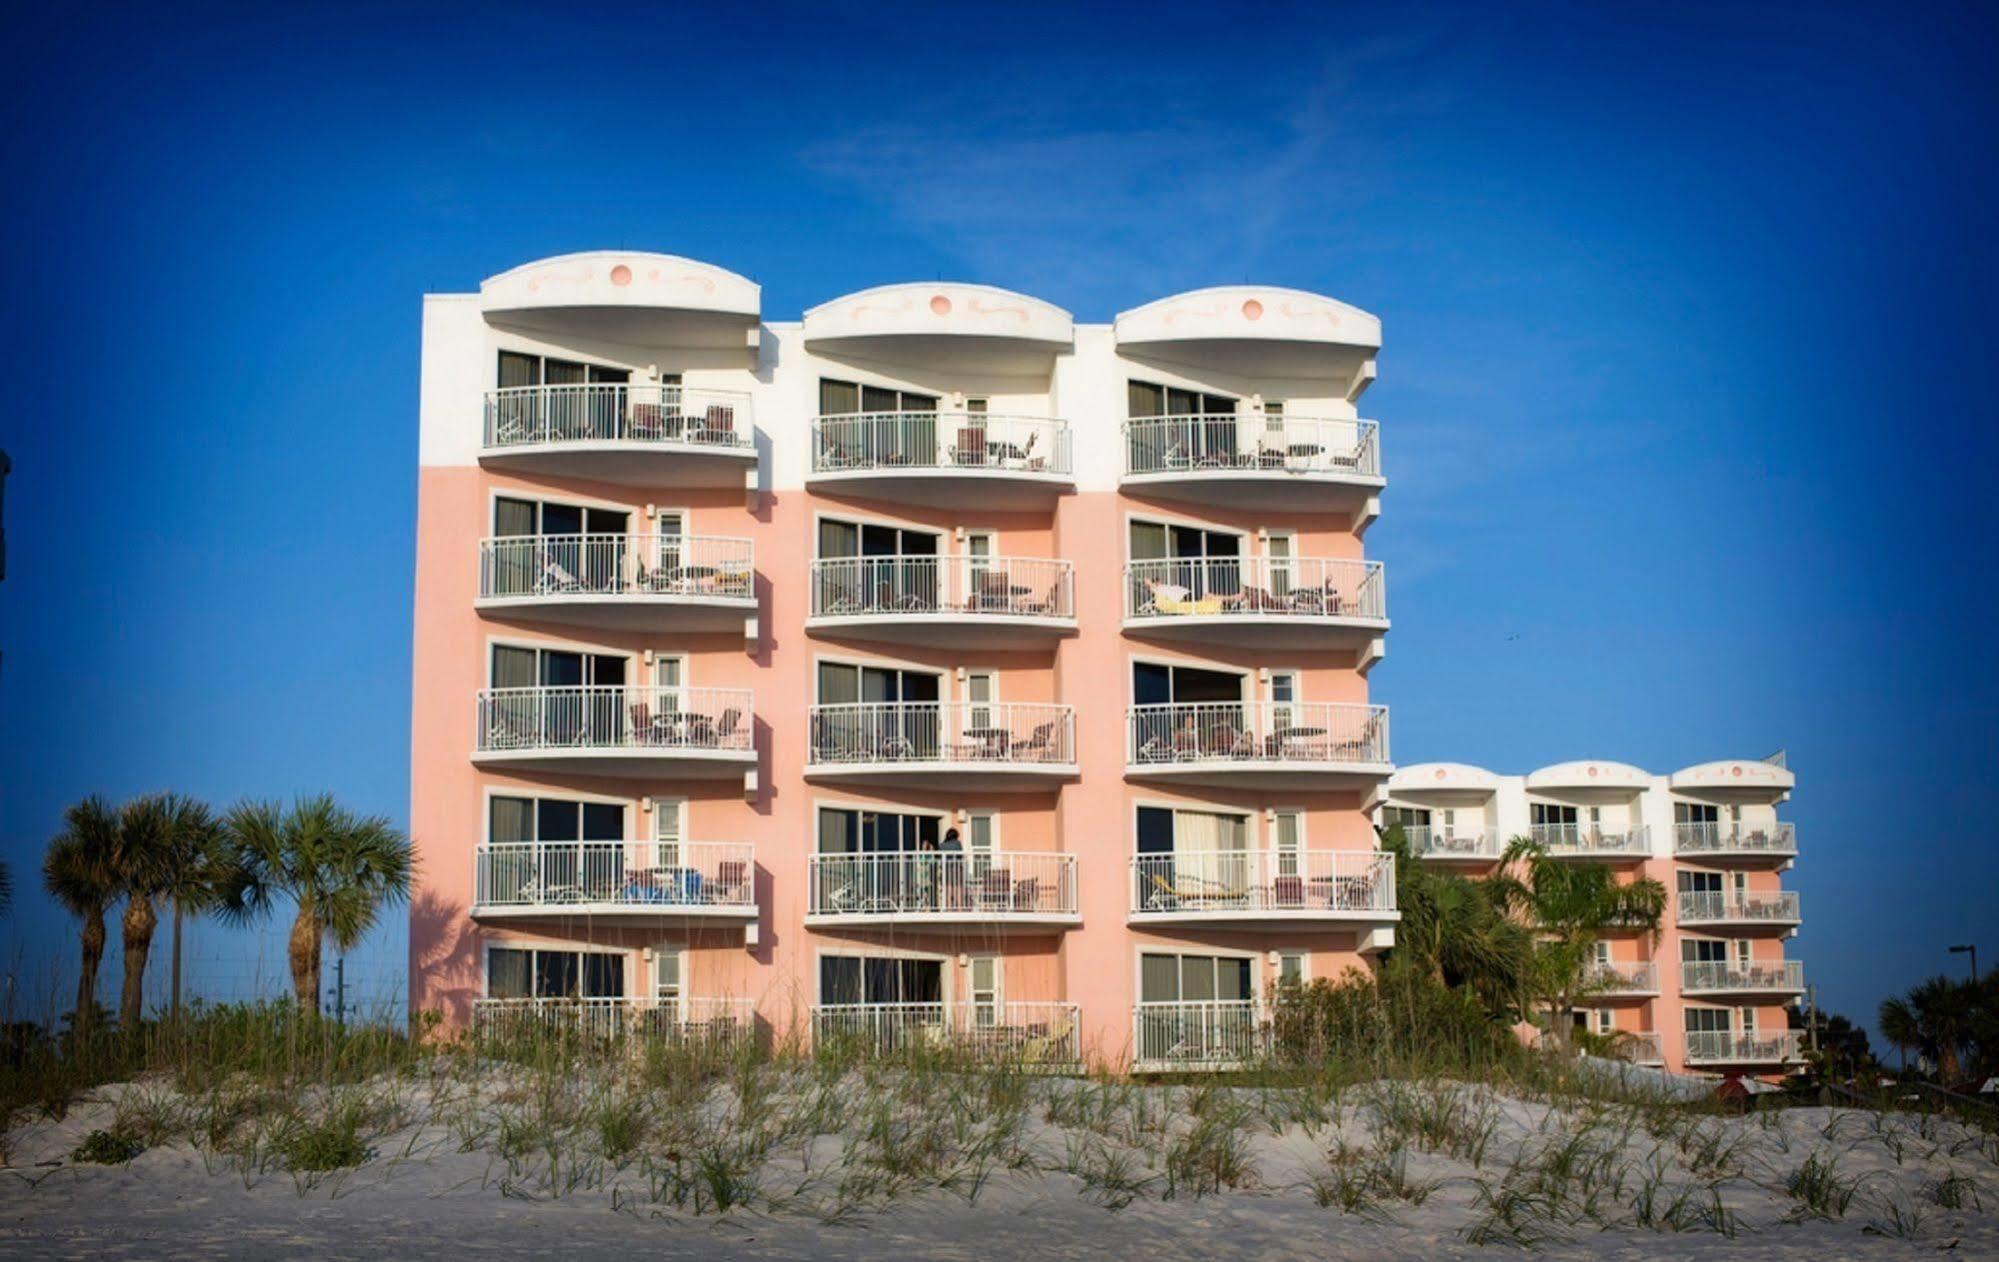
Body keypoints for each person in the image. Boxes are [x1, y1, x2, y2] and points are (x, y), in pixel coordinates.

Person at [940, 828, 965, 910]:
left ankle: (949, 907)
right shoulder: (957, 844)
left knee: (948, 888)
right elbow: (960, 855)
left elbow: (939, 857)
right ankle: (960, 908)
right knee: (958, 888)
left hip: (946, 868)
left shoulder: (942, 845)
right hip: (956, 867)